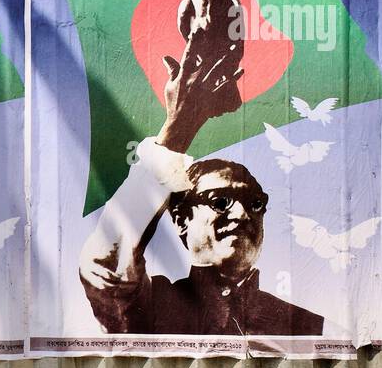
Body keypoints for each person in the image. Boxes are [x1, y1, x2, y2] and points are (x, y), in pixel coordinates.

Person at [79, 31, 324, 337]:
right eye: (220, 201)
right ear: (181, 219)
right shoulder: (151, 308)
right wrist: (180, 126)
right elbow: (107, 263)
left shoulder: (308, 326)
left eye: (255, 203)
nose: (242, 214)